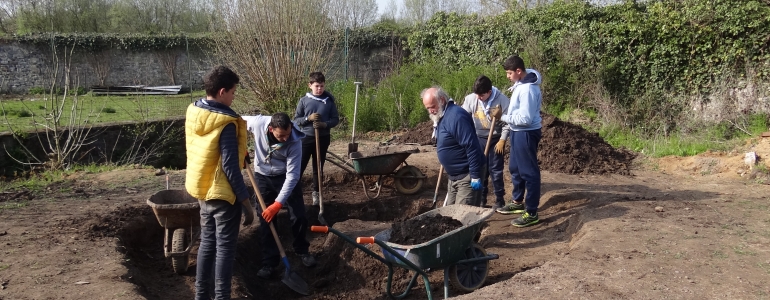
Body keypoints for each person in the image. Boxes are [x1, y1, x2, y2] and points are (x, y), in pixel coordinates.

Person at [185, 65, 255, 300]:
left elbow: (210, 151)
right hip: (223, 194)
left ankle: (201, 296)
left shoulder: (195, 110)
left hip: (203, 189)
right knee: (225, 249)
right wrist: (245, 201)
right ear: (223, 91)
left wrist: (238, 151)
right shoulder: (225, 121)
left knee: (207, 244)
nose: (234, 96)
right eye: (234, 92)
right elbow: (229, 167)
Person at [242, 112, 317, 279]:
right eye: (281, 135)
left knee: (298, 215)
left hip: (285, 176)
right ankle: (270, 261)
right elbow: (236, 121)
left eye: (287, 134)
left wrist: (277, 204)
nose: (285, 139)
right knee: (266, 219)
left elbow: (292, 177)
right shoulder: (258, 123)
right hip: (262, 176)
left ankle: (302, 250)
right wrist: (241, 147)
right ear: (270, 129)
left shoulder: (295, 140)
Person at [494, 55, 543, 228]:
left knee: (529, 173)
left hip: (526, 133)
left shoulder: (528, 89)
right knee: (515, 167)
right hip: (517, 131)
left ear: (519, 71)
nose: (507, 76)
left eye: (509, 73)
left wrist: (503, 117)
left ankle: (531, 212)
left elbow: (526, 119)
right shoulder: (521, 84)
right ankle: (517, 202)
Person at [422, 86, 485, 205]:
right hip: (454, 177)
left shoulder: (456, 116)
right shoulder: (441, 116)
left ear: (441, 100)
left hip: (467, 176)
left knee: (463, 218)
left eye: (432, 106)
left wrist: (475, 175)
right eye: (428, 108)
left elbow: (471, 146)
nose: (431, 111)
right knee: (448, 217)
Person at [461, 75, 510, 209]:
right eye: (476, 94)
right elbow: (463, 118)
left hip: (495, 139)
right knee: (481, 169)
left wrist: (502, 139)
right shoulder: (471, 99)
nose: (478, 97)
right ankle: (481, 199)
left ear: (489, 92)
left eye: (481, 95)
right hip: (478, 138)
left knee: (495, 171)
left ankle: (500, 200)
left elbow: (508, 123)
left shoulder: (502, 100)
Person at [293, 72, 339, 205]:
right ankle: (292, 193)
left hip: (323, 138)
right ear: (310, 85)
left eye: (322, 86)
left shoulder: (328, 101)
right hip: (306, 138)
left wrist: (325, 124)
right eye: (317, 86)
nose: (319, 89)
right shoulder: (304, 101)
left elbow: (335, 119)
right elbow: (296, 120)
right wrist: (308, 118)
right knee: (299, 166)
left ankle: (316, 194)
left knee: (318, 167)